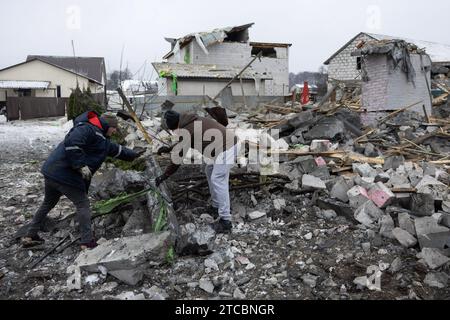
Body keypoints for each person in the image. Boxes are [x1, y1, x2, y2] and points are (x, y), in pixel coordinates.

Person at [21, 111, 142, 250]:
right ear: (107, 125)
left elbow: (117, 150)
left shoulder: (101, 139)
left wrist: (135, 155)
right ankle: (87, 241)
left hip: (52, 172)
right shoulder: (87, 128)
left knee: (48, 203)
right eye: (114, 128)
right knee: (83, 204)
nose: (115, 131)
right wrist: (80, 165)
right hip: (65, 174)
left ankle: (30, 235)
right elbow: (72, 143)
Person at [156, 110, 239, 234]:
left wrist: (165, 175)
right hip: (224, 146)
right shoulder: (190, 121)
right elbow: (184, 142)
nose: (174, 133)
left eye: (173, 130)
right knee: (209, 170)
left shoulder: (187, 129)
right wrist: (169, 148)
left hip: (227, 148)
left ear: (176, 126)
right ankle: (216, 206)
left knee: (218, 179)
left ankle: (225, 221)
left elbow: (177, 159)